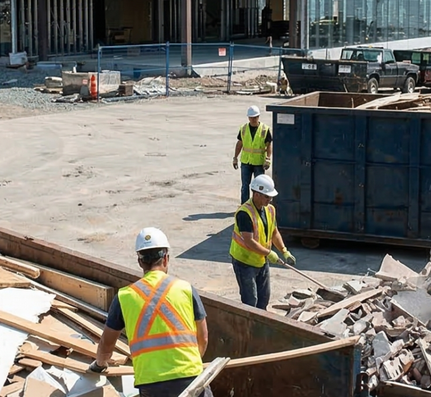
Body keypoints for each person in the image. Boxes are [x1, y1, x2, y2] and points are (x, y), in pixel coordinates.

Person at [91, 228, 209, 397]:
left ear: (140, 262)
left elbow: (106, 344)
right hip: (192, 380)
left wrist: (100, 364)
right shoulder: (186, 289)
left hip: (152, 385)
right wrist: (189, 366)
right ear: (166, 258)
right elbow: (203, 338)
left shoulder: (125, 297)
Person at [229, 174, 293, 310]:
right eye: (266, 196)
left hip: (261, 260)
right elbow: (249, 241)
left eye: (270, 197)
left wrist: (284, 251)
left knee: (264, 299)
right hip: (244, 262)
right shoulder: (244, 213)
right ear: (256, 194)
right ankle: (250, 328)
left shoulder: (270, 210)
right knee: (250, 301)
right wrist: (269, 253)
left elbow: (274, 232)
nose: (270, 199)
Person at [231, 106, 272, 203]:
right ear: (248, 117)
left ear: (258, 117)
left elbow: (269, 144)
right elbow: (239, 143)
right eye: (251, 117)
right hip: (246, 162)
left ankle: (258, 205)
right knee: (245, 186)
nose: (253, 119)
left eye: (255, 117)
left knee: (259, 187)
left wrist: (268, 158)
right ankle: (245, 205)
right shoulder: (244, 128)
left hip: (259, 163)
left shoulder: (264, 129)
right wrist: (235, 158)